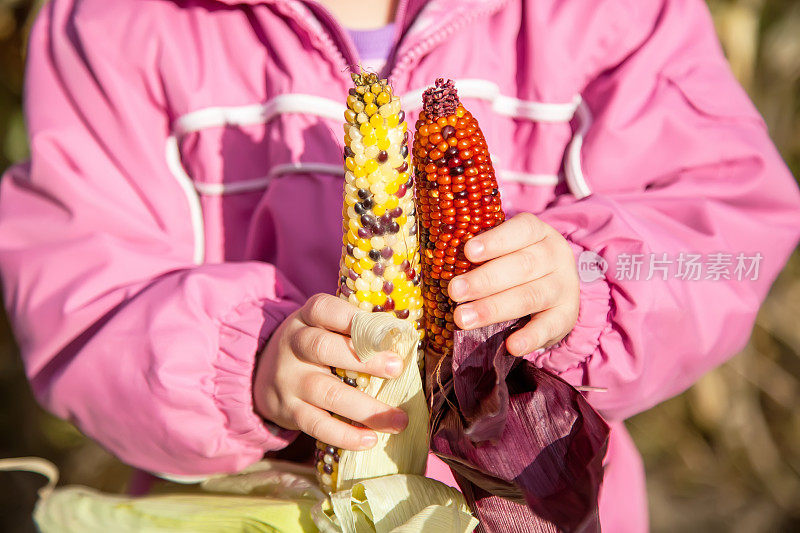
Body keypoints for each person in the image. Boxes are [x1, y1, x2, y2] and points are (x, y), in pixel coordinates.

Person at [1, 0, 798, 530]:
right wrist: (236, 362)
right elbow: (76, 287)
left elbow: (728, 225)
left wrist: (586, 285)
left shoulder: (612, 15)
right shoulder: (116, 24)